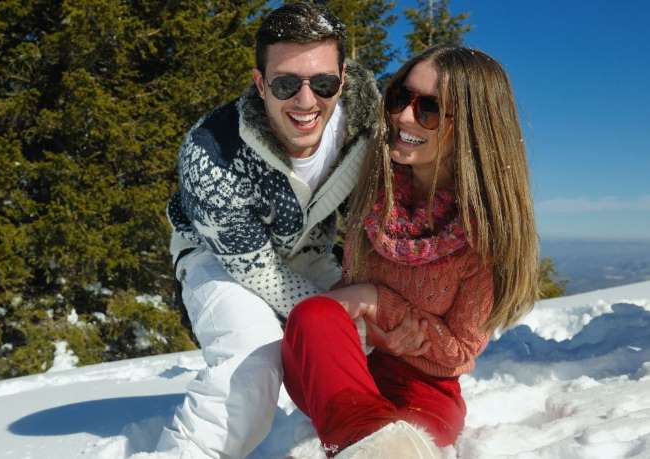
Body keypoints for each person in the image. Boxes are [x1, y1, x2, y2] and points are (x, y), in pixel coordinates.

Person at [280, 45, 541, 458]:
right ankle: (365, 439)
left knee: (398, 435)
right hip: (343, 366)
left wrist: (377, 303)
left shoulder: (483, 238)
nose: (402, 116)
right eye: (400, 97)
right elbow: (343, 303)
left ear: (473, 126)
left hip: (423, 390)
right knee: (313, 315)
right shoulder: (376, 192)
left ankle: (365, 442)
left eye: (429, 109)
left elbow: (460, 351)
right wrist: (370, 330)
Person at [157, 3, 380, 458]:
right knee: (253, 362)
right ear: (260, 84)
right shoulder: (212, 152)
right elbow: (258, 272)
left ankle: (373, 435)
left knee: (378, 337)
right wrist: (333, 316)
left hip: (308, 250)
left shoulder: (366, 125)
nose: (305, 101)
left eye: (322, 83)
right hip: (219, 256)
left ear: (343, 78)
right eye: (285, 84)